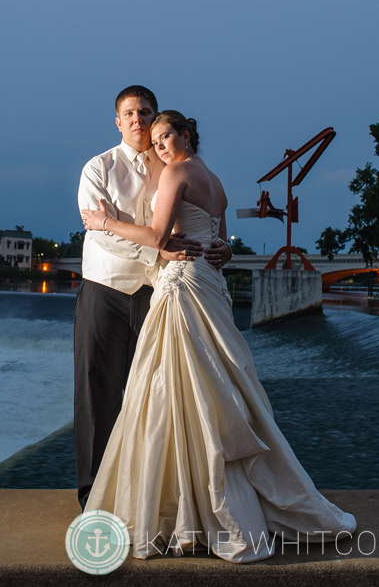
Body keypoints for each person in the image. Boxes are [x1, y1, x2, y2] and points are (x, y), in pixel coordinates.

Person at [79, 110, 356, 563]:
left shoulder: (176, 172)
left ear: (186, 135)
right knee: (216, 382)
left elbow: (156, 235)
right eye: (156, 141)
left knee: (172, 389)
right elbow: (222, 245)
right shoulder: (216, 181)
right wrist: (223, 249)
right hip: (210, 283)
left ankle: (183, 509)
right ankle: (209, 500)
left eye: (167, 136)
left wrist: (103, 222)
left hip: (184, 285)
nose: (161, 146)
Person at [75, 86, 232, 511]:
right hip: (106, 289)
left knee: (155, 393)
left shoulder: (171, 163)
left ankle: (146, 491)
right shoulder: (98, 167)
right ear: (118, 120)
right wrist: (158, 248)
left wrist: (224, 248)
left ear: (157, 117)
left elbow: (204, 216)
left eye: (146, 113)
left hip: (162, 292)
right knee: (98, 393)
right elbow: (100, 233)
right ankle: (94, 497)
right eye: (130, 113)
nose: (139, 121)